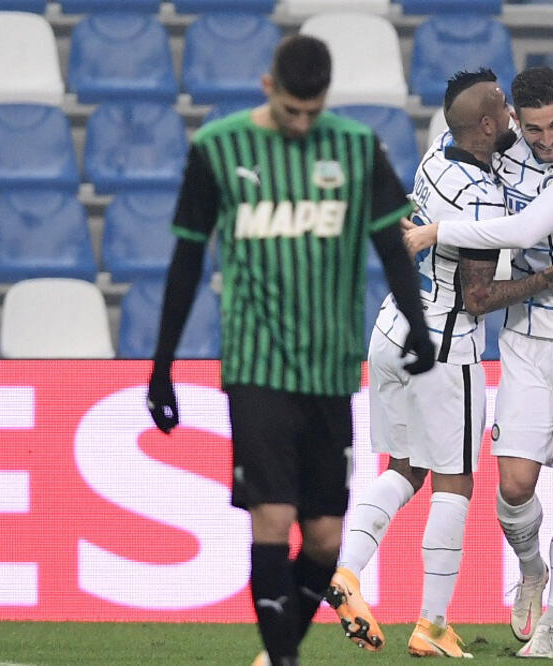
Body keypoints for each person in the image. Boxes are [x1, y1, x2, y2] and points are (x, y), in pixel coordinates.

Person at [145, 35, 435, 666]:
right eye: (291, 111)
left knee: (328, 541)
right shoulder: (218, 149)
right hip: (257, 367)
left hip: (331, 369)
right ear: (267, 85)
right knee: (273, 518)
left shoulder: (358, 149)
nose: (302, 124)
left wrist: (417, 323)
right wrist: (162, 366)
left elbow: (392, 245)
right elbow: (187, 259)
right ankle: (283, 660)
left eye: (313, 111)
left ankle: (277, 657)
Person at [327, 68, 553, 660]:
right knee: (454, 482)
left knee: (404, 468)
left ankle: (348, 571)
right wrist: (549, 277)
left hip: (391, 328)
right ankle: (432, 624)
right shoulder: (482, 190)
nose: (513, 118)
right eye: (506, 111)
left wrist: (430, 231)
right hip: (444, 341)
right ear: (488, 124)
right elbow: (480, 297)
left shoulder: (436, 155)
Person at [404, 66, 553, 660]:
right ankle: (531, 570)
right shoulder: (509, 147)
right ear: (515, 123)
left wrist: (435, 232)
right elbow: (456, 148)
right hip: (526, 335)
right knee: (514, 484)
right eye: (534, 128)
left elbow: (528, 226)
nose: (547, 137)